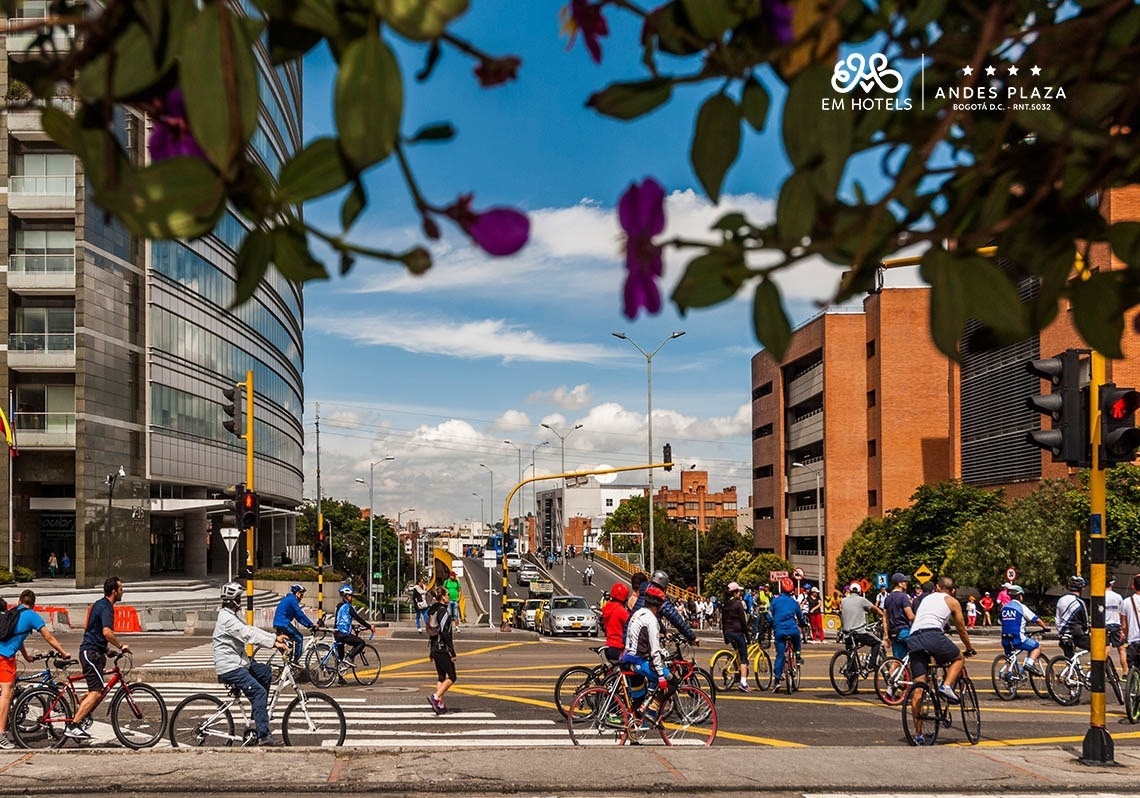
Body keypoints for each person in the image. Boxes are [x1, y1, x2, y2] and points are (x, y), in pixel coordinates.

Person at [213, 581, 290, 746]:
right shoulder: (227, 619)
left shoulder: (230, 616)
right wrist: (274, 643)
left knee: (265, 671)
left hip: (239, 663)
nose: (240, 602)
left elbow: (251, 629)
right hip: (230, 667)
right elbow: (247, 634)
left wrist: (274, 638)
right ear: (233, 601)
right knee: (259, 693)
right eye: (238, 598)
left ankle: (258, 713)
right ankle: (263, 735)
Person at [0, 589, 70, 749]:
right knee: (7, 693)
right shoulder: (32, 615)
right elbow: (48, 636)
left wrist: (25, 656)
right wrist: (63, 652)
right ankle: (1, 734)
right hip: (4, 658)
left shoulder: (13, 612)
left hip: (4, 655)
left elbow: (17, 636)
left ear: (19, 601)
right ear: (34, 604)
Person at [67, 576, 131, 740]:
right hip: (91, 653)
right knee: (96, 692)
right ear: (114, 591)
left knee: (93, 691)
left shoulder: (100, 603)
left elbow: (93, 630)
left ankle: (79, 718)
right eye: (121, 589)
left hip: (95, 652)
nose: (123, 592)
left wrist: (107, 651)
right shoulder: (107, 607)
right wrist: (120, 646)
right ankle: (74, 724)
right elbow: (106, 632)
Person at [907, 576, 975, 714]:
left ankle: (917, 734)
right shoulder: (952, 601)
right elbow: (962, 629)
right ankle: (946, 686)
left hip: (914, 637)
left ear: (937, 587)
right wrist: (969, 648)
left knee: (918, 687)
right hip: (933, 634)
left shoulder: (926, 599)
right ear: (953, 590)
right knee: (959, 658)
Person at [620, 584, 672, 717]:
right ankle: (653, 709)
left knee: (639, 698)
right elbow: (654, 650)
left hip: (629, 660)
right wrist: (661, 676)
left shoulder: (637, 614)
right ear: (659, 605)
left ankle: (635, 727)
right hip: (640, 662)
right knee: (673, 681)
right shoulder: (651, 620)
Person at [631, 570, 699, 647]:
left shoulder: (644, 592)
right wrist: (692, 637)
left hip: (629, 637)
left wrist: (664, 631)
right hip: (639, 644)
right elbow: (675, 617)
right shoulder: (657, 598)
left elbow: (654, 618)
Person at [999, 584, 1048, 674]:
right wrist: (1045, 627)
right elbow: (1036, 619)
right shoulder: (1021, 607)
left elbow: (1000, 621)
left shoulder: (1004, 608)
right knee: (1037, 647)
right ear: (1019, 596)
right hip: (1018, 638)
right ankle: (1029, 664)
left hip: (1005, 639)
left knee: (1010, 658)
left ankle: (1010, 677)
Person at [334, 584, 375, 682]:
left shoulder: (339, 606)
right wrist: (369, 626)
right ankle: (350, 658)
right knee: (361, 643)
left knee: (340, 657)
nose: (352, 598)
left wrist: (352, 626)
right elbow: (358, 618)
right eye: (351, 595)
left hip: (336, 633)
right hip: (344, 634)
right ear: (347, 596)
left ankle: (340, 678)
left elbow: (340, 621)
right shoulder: (348, 607)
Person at [839, 584, 887, 667]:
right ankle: (871, 664)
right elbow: (874, 608)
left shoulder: (843, 601)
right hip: (859, 632)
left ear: (850, 591)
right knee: (877, 643)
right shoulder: (862, 600)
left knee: (851, 654)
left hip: (847, 633)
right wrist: (883, 615)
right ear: (859, 591)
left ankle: (851, 675)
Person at [426, 586, 456, 714]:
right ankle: (436, 697)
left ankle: (440, 705)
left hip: (434, 647)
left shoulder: (433, 610)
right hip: (442, 648)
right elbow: (445, 632)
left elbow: (432, 631)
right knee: (452, 676)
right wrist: (452, 651)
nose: (449, 597)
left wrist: (431, 652)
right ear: (443, 597)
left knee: (441, 677)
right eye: (448, 595)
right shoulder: (443, 611)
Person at [770, 578, 804, 692]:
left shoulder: (775, 601)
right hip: (792, 630)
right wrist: (803, 624)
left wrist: (773, 624)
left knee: (780, 655)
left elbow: (770, 615)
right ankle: (798, 657)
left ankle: (777, 680)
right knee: (797, 639)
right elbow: (800, 617)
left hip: (779, 631)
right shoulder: (794, 603)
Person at [272, 583, 314, 665]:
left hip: (278, 623)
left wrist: (308, 625)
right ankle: (295, 662)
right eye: (301, 595)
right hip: (283, 623)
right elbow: (300, 613)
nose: (302, 597)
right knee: (299, 638)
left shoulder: (288, 599)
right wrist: (311, 625)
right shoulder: (292, 600)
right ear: (297, 593)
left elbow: (298, 617)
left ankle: (288, 661)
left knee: (290, 642)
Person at [720, 582, 751, 692]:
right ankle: (743, 682)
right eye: (738, 591)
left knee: (737, 651)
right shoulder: (738, 604)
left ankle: (737, 674)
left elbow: (722, 621)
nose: (740, 593)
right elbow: (743, 622)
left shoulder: (725, 604)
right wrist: (748, 637)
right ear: (734, 592)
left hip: (728, 632)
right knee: (744, 657)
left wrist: (725, 636)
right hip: (737, 632)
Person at [1055, 575, 1090, 659]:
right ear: (1082, 588)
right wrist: (1087, 630)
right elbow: (1085, 622)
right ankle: (1093, 670)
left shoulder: (1061, 600)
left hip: (1063, 635)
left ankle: (1069, 671)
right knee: (1099, 647)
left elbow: (1057, 617)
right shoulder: (1079, 602)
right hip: (1076, 636)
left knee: (1070, 660)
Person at [883, 573, 915, 659]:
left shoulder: (887, 598)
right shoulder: (903, 597)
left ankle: (891, 673)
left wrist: (886, 635)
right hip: (904, 631)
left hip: (893, 633)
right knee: (922, 648)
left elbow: (885, 618)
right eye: (905, 582)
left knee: (898, 661)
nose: (906, 584)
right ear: (900, 584)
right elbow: (910, 616)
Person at [601, 582, 631, 662]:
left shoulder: (607, 607)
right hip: (619, 647)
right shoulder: (620, 610)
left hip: (609, 646)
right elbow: (631, 623)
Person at [1105, 575, 1128, 675]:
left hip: (1104, 625)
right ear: (1112, 584)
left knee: (1105, 649)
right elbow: (1121, 612)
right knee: (1121, 650)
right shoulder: (1118, 597)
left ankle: (1095, 671)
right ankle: (1125, 672)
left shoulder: (1100, 596)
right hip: (1115, 625)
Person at [1118, 573, 1140, 673]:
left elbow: (1124, 625)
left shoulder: (1127, 602)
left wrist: (1128, 636)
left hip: (1133, 642)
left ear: (1133, 586)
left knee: (1133, 668)